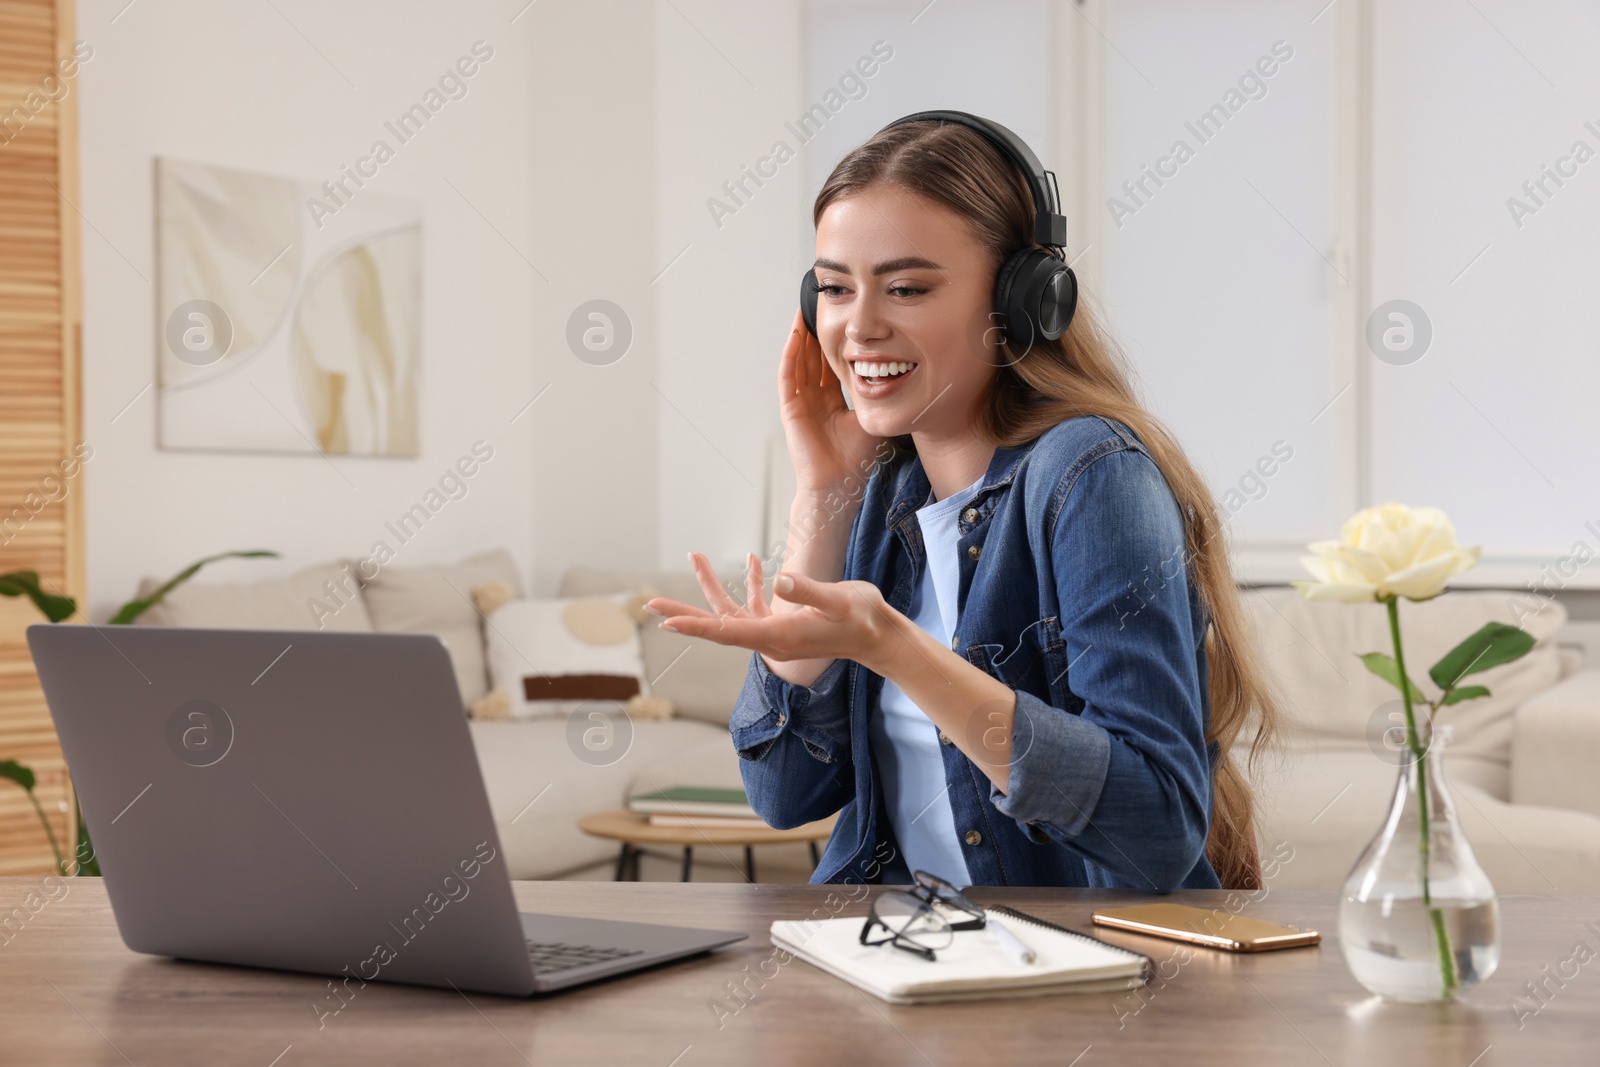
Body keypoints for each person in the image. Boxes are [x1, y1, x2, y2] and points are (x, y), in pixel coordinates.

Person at [644, 115, 1284, 891]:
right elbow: (784, 795)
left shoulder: (1092, 478)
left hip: (1081, 984)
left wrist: (895, 648)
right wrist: (822, 489)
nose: (860, 326)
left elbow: (1155, 830)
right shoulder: (887, 493)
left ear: (1021, 301)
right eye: (836, 288)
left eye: (907, 287)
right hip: (905, 962)